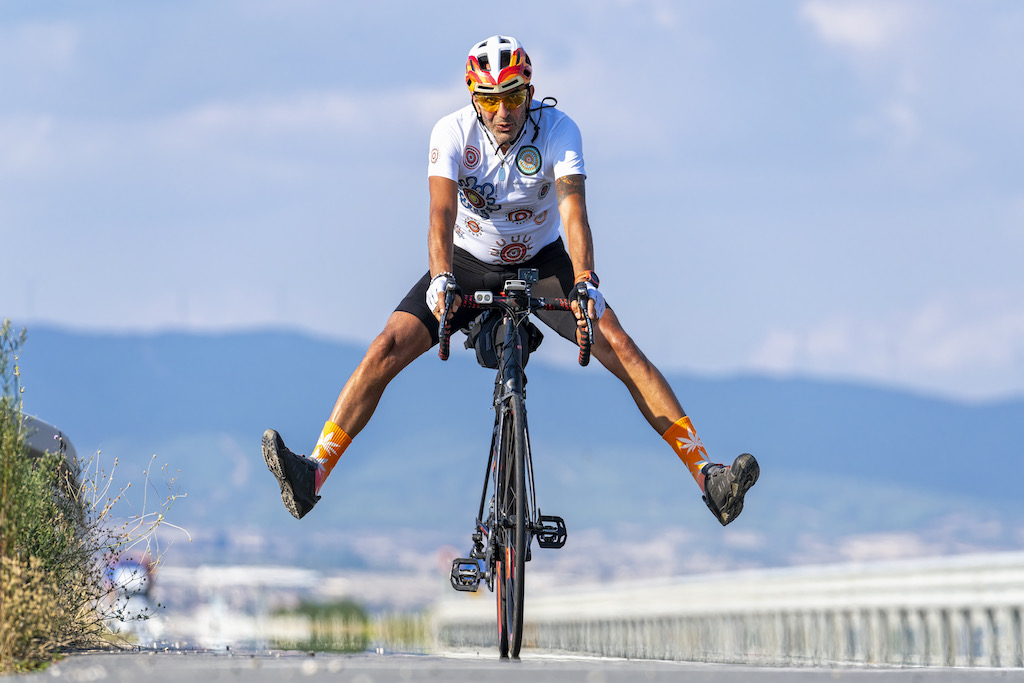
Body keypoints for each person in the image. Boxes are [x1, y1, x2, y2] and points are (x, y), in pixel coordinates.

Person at [263, 35, 758, 527]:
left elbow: (574, 213)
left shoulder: (559, 130)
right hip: (465, 260)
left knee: (621, 347)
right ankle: (315, 473)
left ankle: (707, 477)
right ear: (473, 98)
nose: (503, 112)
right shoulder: (451, 133)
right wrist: (440, 277)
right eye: (490, 100)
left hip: (543, 263)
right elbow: (440, 215)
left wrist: (584, 280)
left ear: (531, 92)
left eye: (515, 97)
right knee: (386, 346)